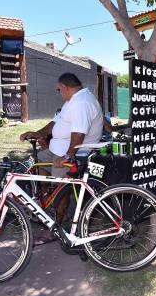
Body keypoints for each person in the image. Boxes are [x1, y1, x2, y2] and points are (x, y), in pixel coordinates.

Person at [20, 72, 103, 244]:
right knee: (38, 162)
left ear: (65, 87)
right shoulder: (71, 101)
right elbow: (55, 123)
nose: (59, 92)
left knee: (61, 188)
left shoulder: (82, 102)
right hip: (58, 148)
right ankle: (45, 198)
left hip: (73, 152)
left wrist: (68, 156)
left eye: (59, 89)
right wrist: (37, 133)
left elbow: (79, 133)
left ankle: (55, 226)